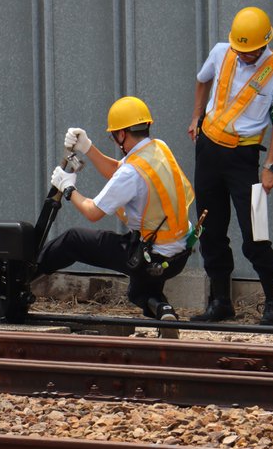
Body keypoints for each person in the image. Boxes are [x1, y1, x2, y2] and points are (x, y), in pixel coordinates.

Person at [39, 96, 195, 329]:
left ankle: (23, 275)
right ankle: (163, 310)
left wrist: (68, 189)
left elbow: (93, 212)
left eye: (114, 134)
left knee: (73, 240)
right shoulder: (158, 148)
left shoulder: (132, 172)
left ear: (122, 134)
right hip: (179, 253)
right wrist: (88, 148)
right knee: (139, 291)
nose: (114, 138)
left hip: (151, 256)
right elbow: (119, 172)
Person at [187, 6, 273, 325]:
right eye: (241, 50)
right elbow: (201, 80)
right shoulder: (222, 52)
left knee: (255, 232)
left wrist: (270, 167)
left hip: (244, 159)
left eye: (252, 51)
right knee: (210, 230)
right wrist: (196, 116)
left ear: (264, 44)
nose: (245, 56)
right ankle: (220, 302)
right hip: (207, 152)